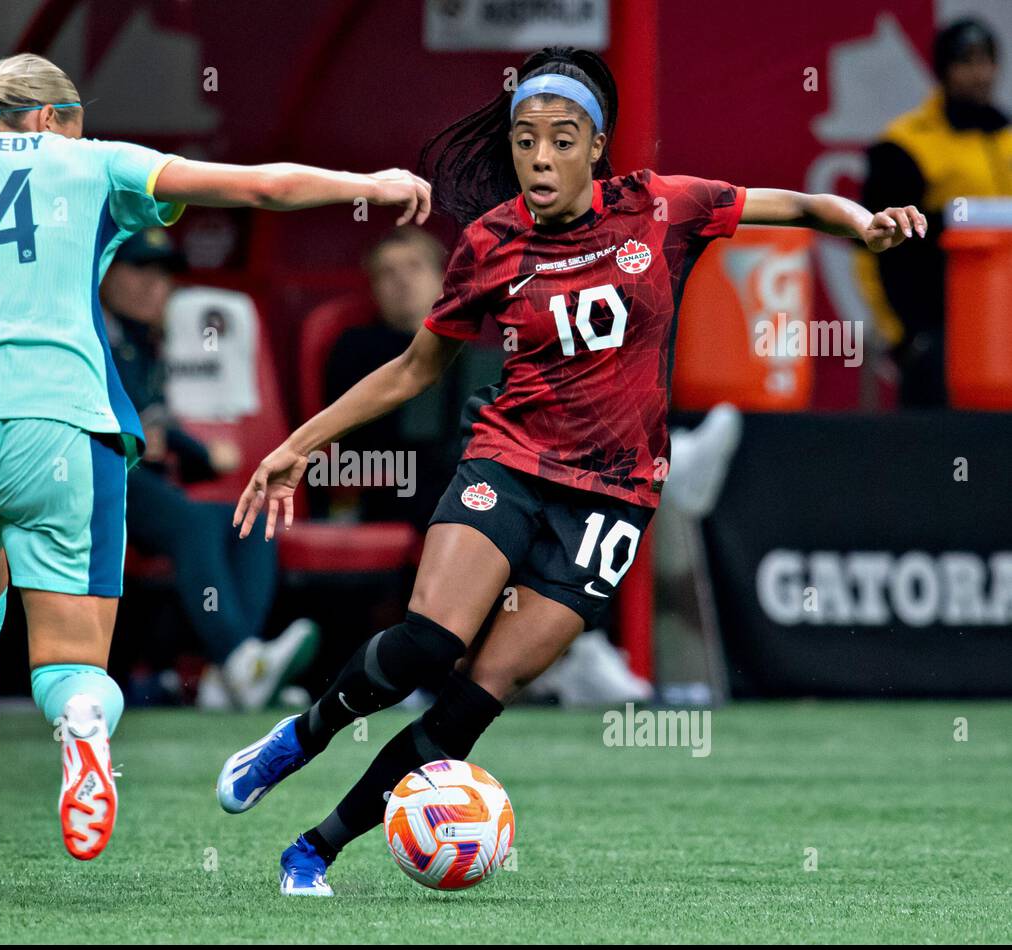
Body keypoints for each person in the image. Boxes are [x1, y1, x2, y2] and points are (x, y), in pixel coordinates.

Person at [216, 46, 924, 896]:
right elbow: (414, 369)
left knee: (479, 693)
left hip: (614, 498)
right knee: (432, 639)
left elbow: (791, 203)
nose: (540, 157)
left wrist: (859, 221)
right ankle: (298, 738)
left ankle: (313, 850)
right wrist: (300, 443)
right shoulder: (491, 242)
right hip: (510, 460)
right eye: (525, 141)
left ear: (597, 147)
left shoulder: (665, 207)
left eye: (561, 140)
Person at [0, 44, 431, 907]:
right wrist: (365, 185)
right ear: (50, 118)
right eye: (77, 120)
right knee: (73, 669)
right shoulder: (90, 163)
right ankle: (82, 726)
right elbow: (256, 187)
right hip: (62, 423)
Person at [99, 229, 318, 710]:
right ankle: (242, 661)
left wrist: (191, 451)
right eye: (139, 270)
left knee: (252, 517)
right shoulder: (91, 333)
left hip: (140, 482)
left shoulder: (144, 339)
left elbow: (155, 425)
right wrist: (178, 446)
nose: (153, 286)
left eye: (162, 275)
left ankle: (229, 675)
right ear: (105, 273)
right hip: (94, 479)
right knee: (195, 519)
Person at [861, 17, 1012, 407]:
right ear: (943, 69)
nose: (979, 74)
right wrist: (903, 336)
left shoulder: (1008, 137)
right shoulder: (905, 146)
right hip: (941, 332)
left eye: (987, 61)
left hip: (1004, 328)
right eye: (966, 62)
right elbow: (870, 247)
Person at [322, 227, 463, 527]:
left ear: (441, 278)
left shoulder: (469, 348)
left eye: (414, 266)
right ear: (374, 289)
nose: (402, 279)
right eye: (387, 272)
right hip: (392, 479)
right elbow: (354, 439)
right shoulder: (355, 346)